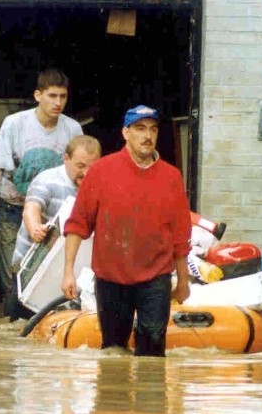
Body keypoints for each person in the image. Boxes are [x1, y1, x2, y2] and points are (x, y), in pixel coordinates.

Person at [61, 105, 191, 357]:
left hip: (156, 277)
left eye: (153, 129)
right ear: (125, 132)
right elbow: (77, 224)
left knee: (153, 348)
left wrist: (183, 281)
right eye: (140, 128)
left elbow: (180, 234)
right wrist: (68, 272)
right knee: (113, 350)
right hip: (111, 277)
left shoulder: (171, 176)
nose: (148, 135)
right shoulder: (100, 171)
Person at [0, 69, 83, 317]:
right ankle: (14, 328)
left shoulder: (72, 129)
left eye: (63, 96)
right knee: (17, 278)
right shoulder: (15, 125)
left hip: (54, 216)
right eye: (52, 96)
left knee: (51, 276)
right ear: (38, 95)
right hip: (13, 210)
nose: (58, 103)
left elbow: (85, 177)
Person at [6, 134, 102, 320]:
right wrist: (35, 228)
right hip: (28, 269)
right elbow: (31, 208)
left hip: (68, 270)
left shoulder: (101, 185)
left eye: (93, 166)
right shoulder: (47, 180)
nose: (87, 173)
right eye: (81, 166)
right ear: (66, 159)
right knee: (17, 329)